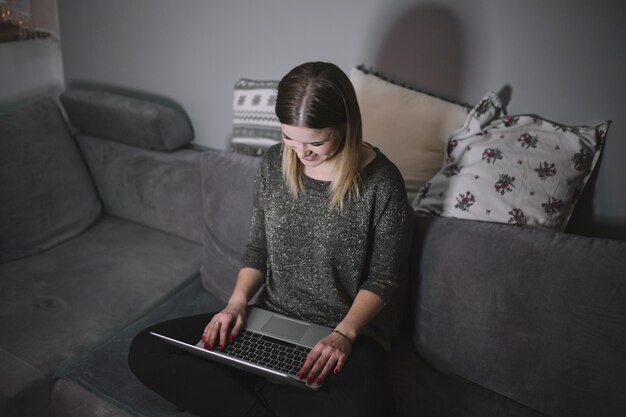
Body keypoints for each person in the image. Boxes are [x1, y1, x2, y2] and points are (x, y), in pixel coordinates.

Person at [128, 61, 412, 417]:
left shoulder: (382, 182)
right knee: (147, 349)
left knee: (369, 409)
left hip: (346, 335)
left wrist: (343, 334)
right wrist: (235, 304)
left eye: (316, 142)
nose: (300, 152)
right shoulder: (274, 164)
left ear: (347, 127)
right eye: (287, 136)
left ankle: (242, 395)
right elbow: (258, 248)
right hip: (271, 318)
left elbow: (383, 279)